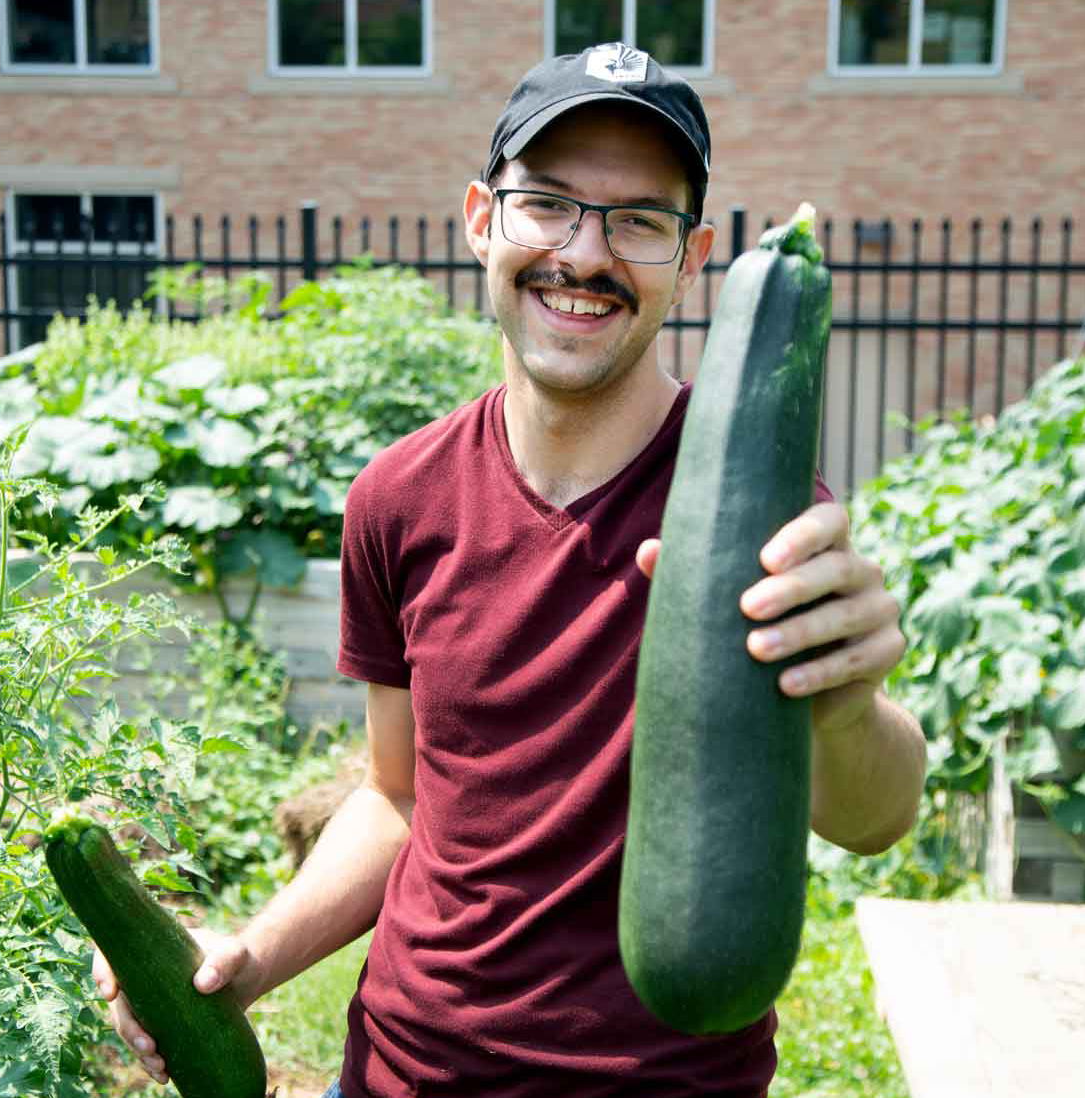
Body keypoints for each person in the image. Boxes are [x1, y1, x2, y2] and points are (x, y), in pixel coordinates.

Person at [96, 42, 928, 1098]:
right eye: (547, 205)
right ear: (482, 219)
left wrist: (844, 708)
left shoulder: (757, 520)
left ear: (692, 254)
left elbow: (874, 817)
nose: (584, 254)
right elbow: (398, 795)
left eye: (637, 219)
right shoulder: (398, 497)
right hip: (403, 1069)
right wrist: (252, 958)